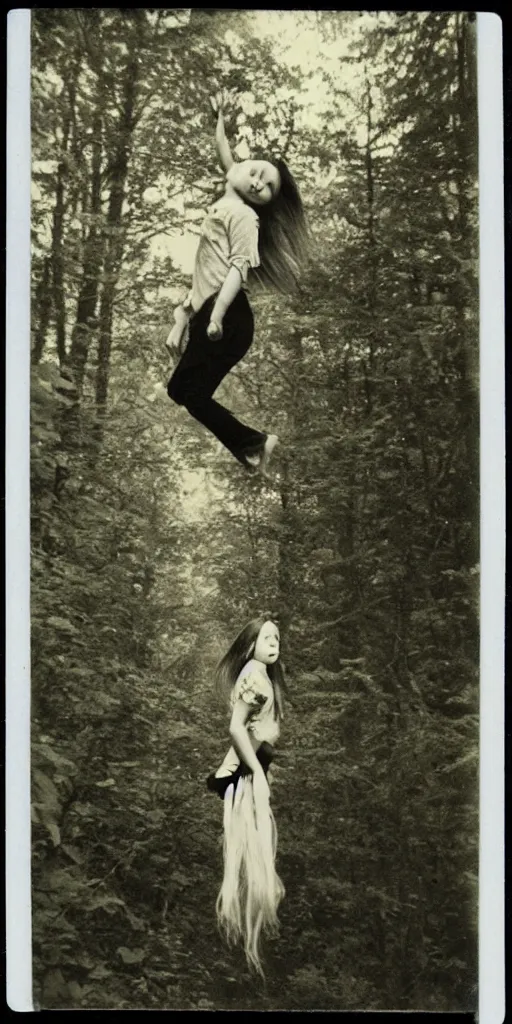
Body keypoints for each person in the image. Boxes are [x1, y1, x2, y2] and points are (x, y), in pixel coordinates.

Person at [166, 91, 308, 478]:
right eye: (258, 171)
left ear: (261, 202)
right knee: (182, 392)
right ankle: (252, 444)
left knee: (186, 392)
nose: (258, 180)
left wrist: (217, 316)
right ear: (246, 165)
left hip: (229, 316)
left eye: (266, 187)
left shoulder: (245, 217)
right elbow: (226, 159)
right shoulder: (229, 198)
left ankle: (254, 442)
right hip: (214, 314)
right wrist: (220, 121)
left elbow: (236, 271)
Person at [206, 615, 287, 975]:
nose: (275, 644)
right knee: (250, 858)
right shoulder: (253, 677)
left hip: (254, 768)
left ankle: (249, 942)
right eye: (267, 638)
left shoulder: (262, 676)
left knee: (255, 858)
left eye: (277, 639)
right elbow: (236, 728)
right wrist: (255, 771)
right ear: (251, 644)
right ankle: (243, 944)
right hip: (245, 771)